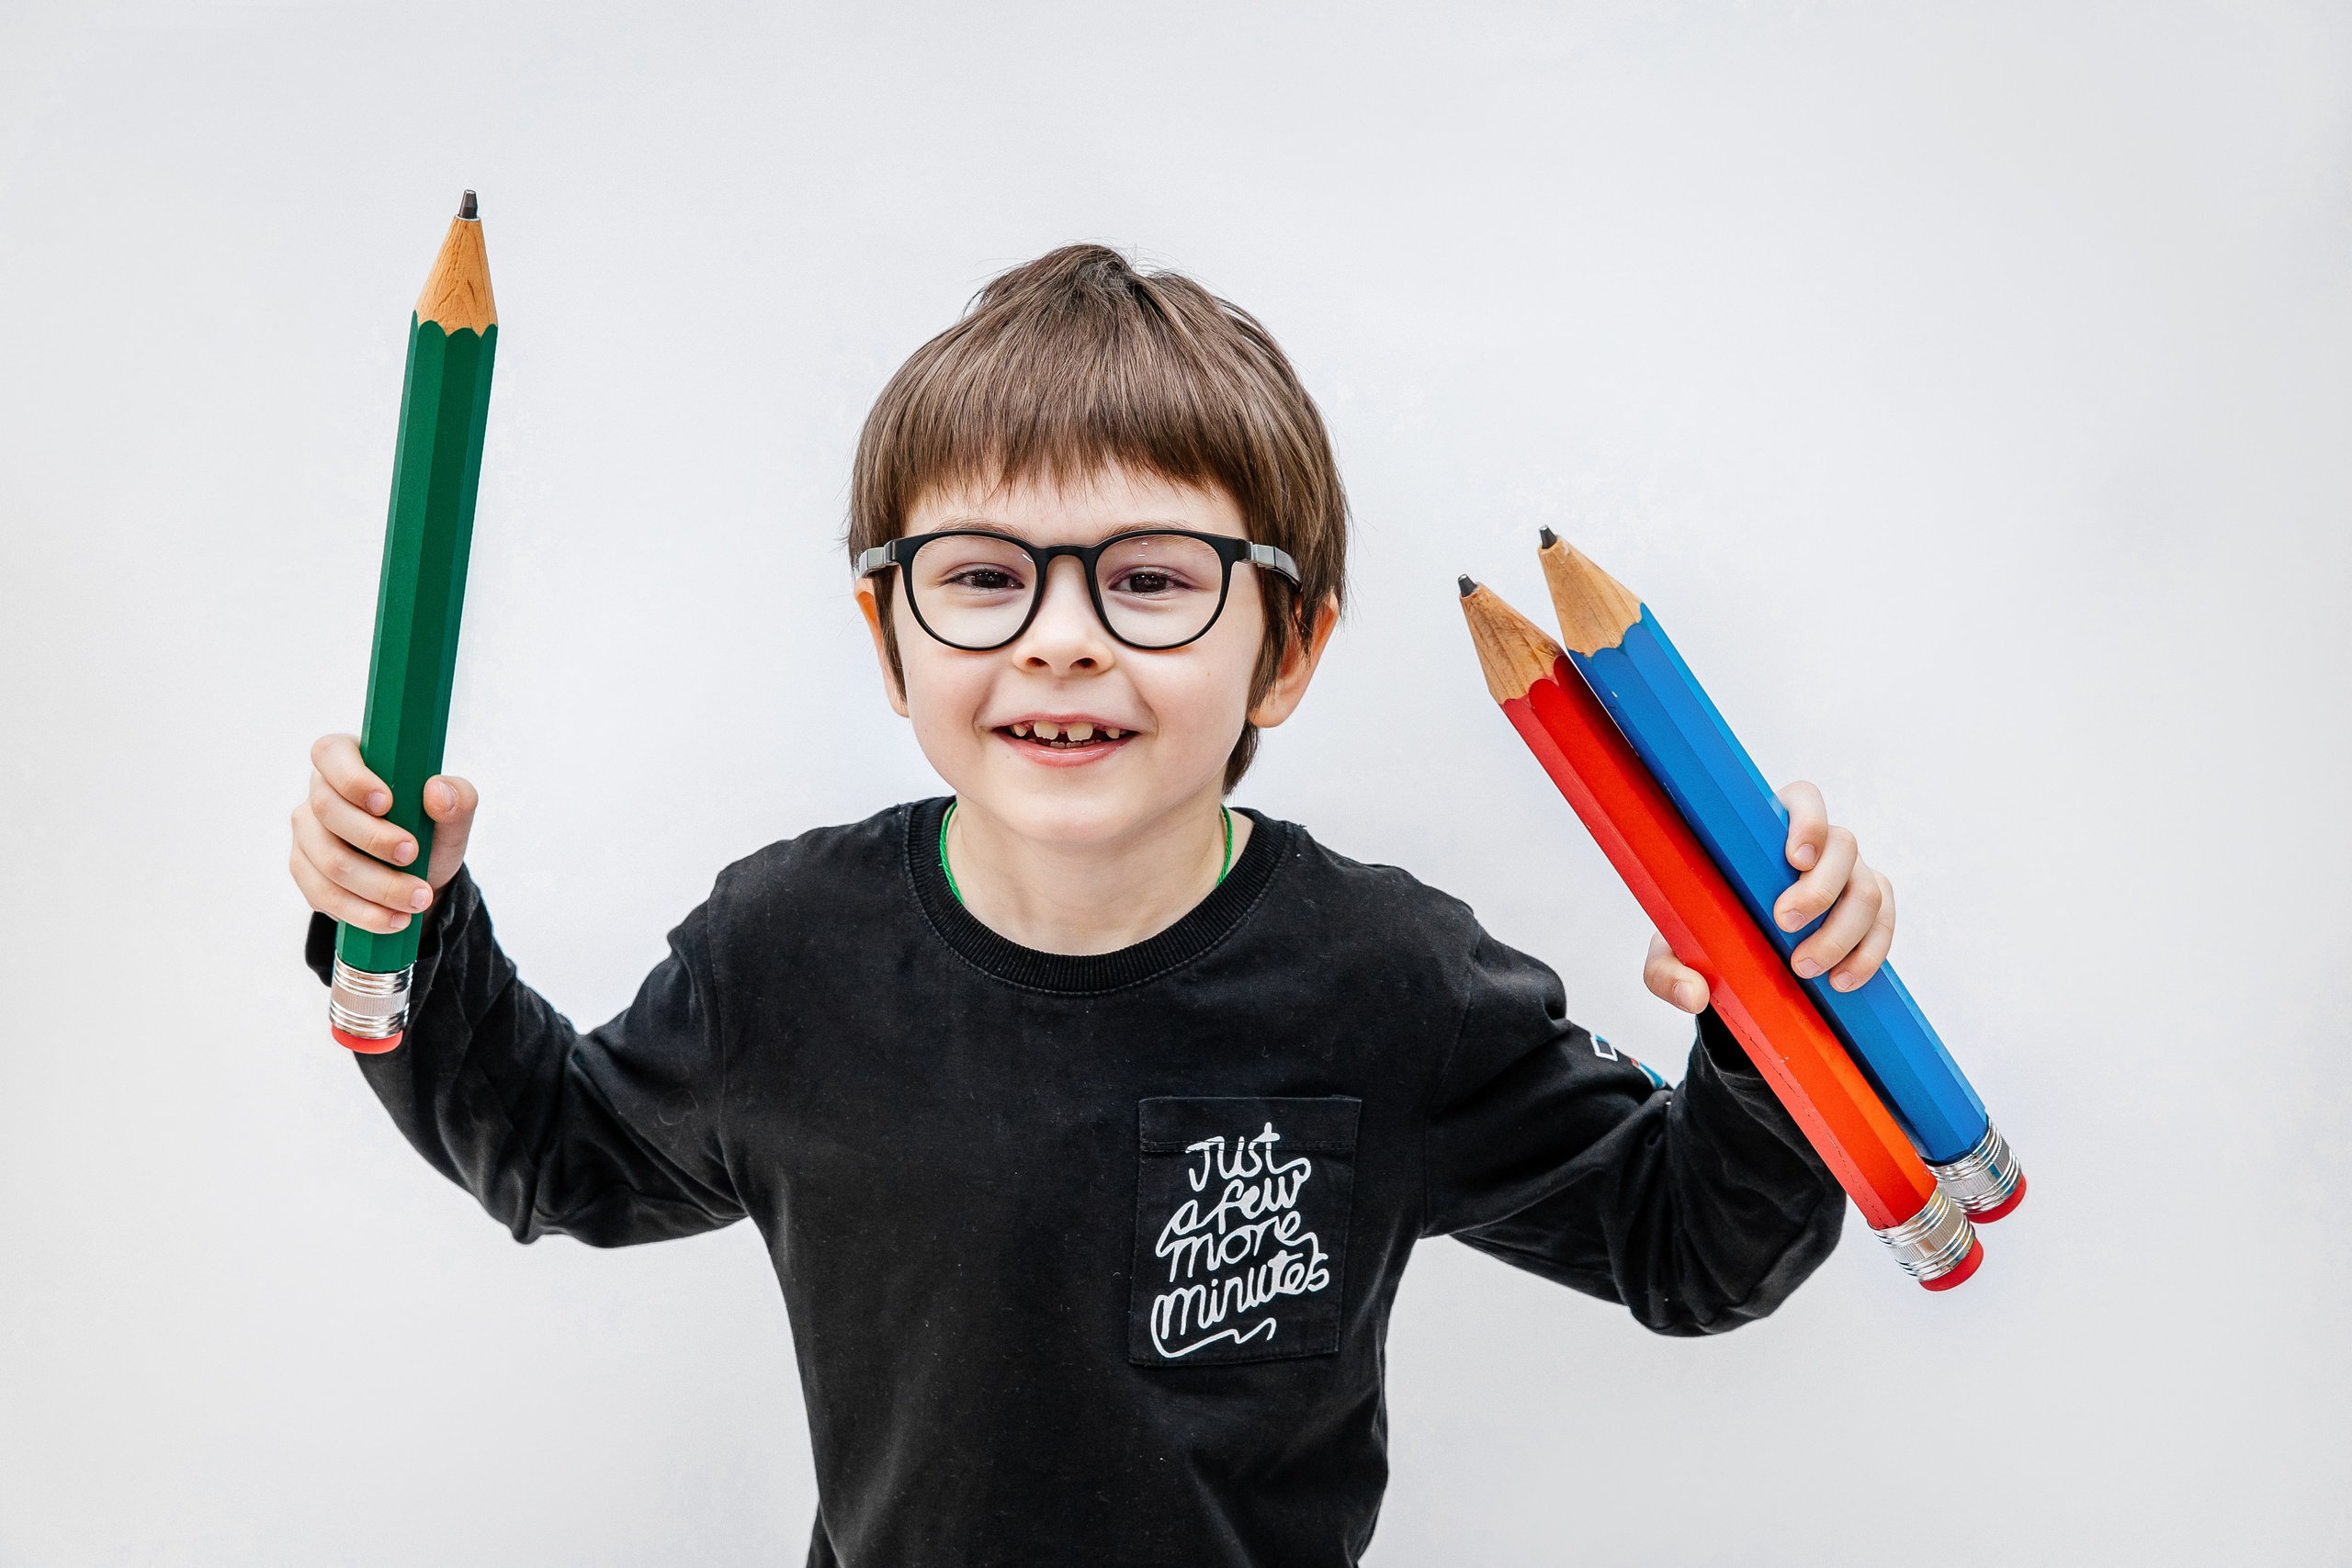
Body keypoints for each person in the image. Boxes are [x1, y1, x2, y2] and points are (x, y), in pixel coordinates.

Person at [288, 245, 1898, 1567]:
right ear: (887, 633)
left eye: (1152, 577)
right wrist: (407, 928)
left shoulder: (1389, 984)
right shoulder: (784, 958)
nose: (1062, 638)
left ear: (1289, 646)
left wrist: (1773, 1034)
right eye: (983, 575)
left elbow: (1693, 1249)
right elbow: (549, 1147)